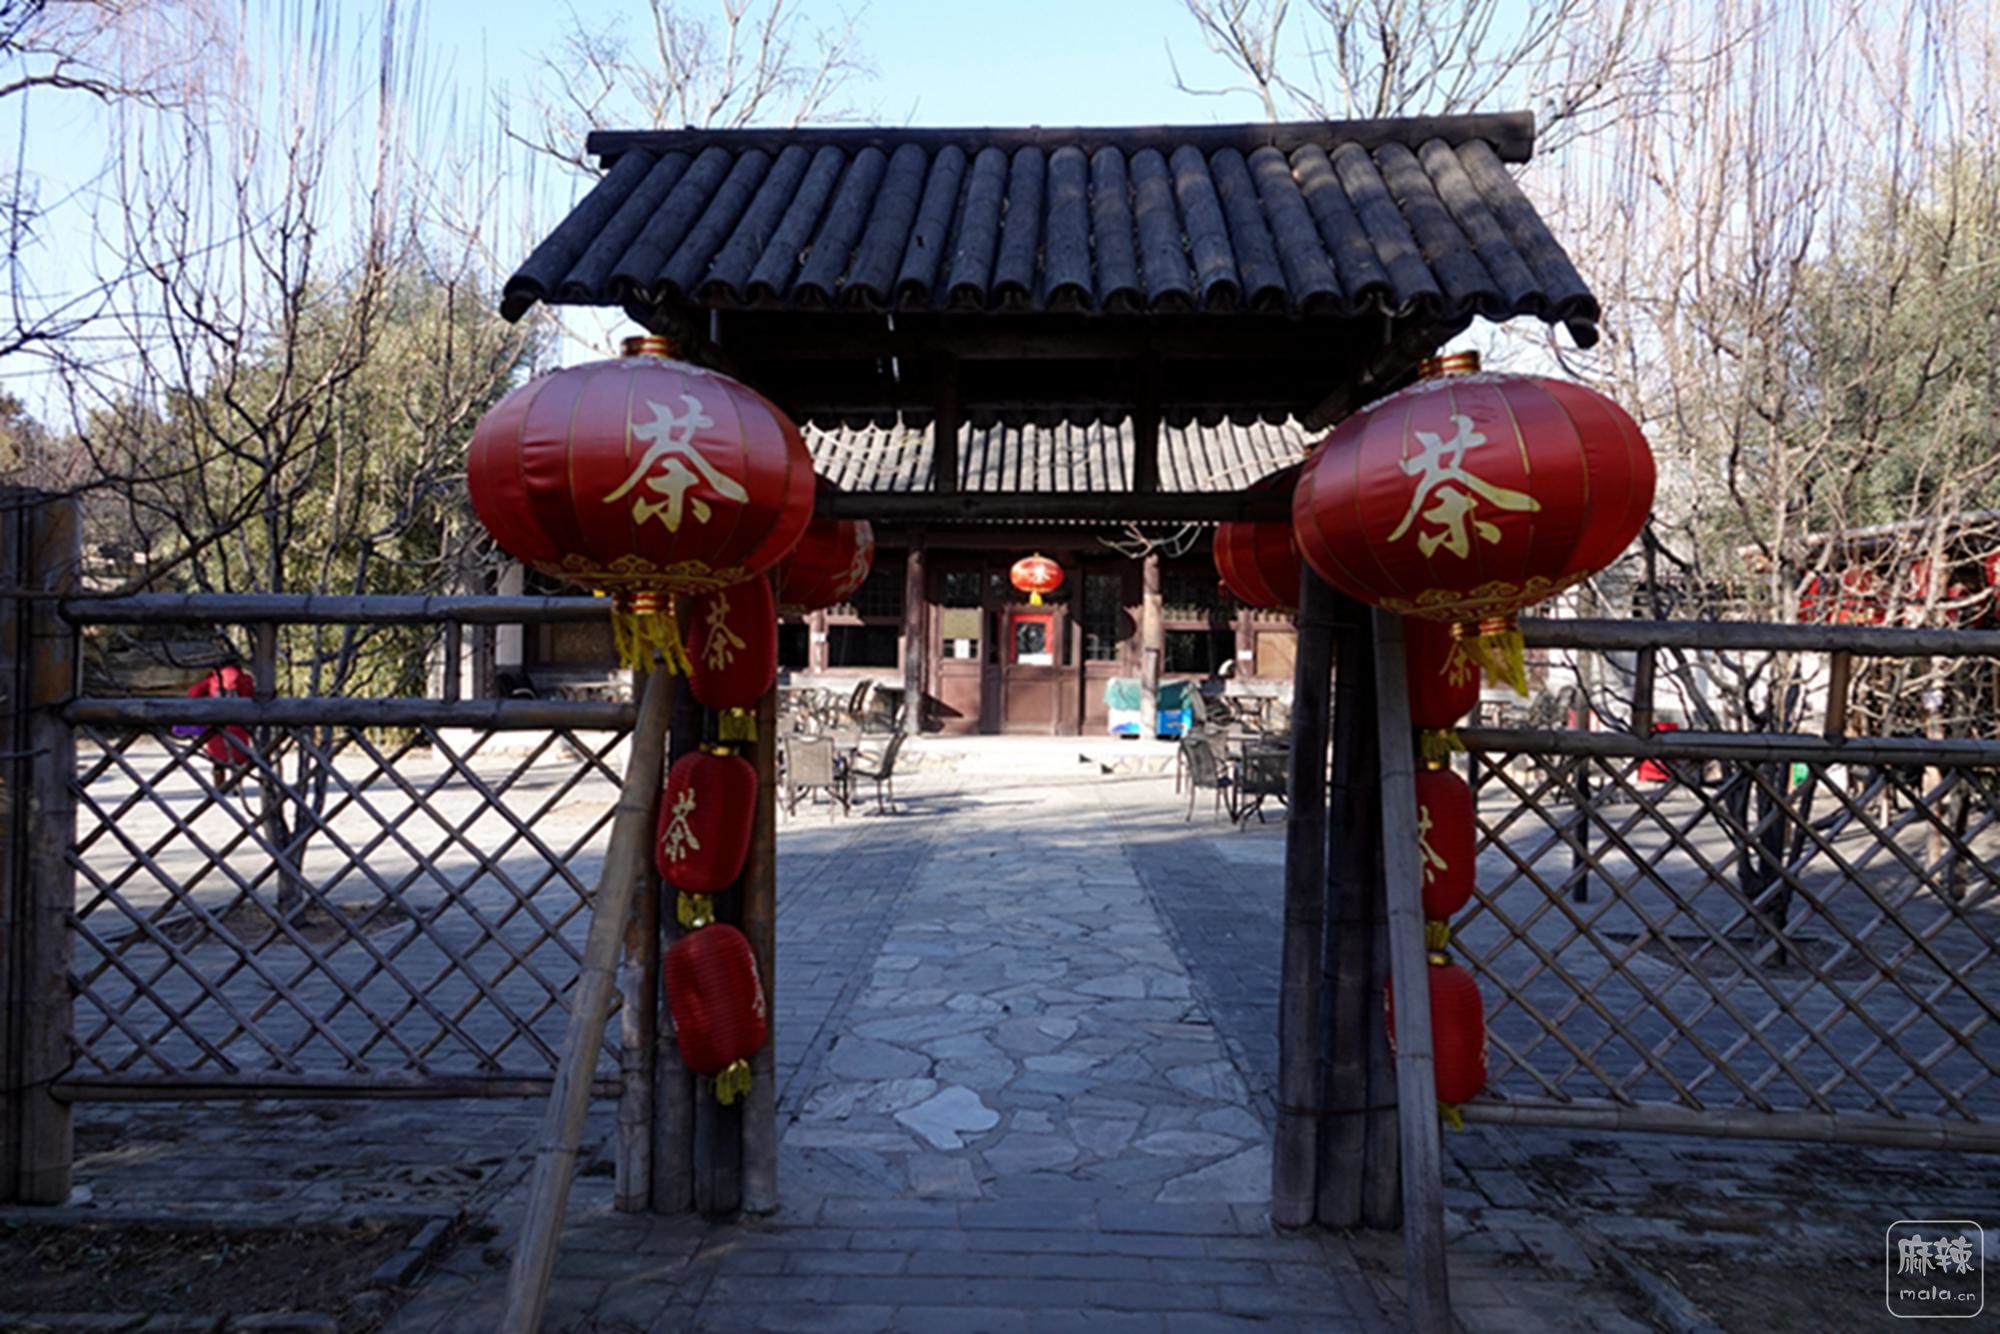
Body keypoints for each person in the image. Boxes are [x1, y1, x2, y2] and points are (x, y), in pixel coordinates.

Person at [182, 658, 257, 790]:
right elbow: (252, 694)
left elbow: (193, 693)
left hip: (217, 725)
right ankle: (237, 785)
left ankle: (219, 786)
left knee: (218, 759)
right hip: (238, 724)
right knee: (237, 757)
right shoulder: (244, 679)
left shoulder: (213, 679)